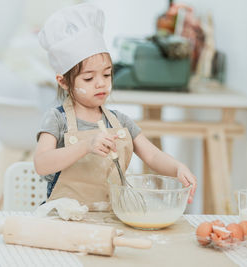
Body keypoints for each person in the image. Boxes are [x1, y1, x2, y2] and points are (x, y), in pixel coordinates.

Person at [34, 3, 197, 210]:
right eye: (89, 78)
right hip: (64, 219)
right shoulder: (57, 119)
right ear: (64, 82)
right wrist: (85, 146)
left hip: (112, 216)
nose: (101, 83)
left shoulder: (120, 122)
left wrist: (177, 168)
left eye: (106, 74)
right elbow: (42, 163)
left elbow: (153, 155)